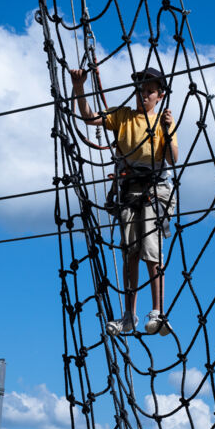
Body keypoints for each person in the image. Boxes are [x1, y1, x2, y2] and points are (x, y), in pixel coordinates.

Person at [70, 67, 178, 336]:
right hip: (130, 190)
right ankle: (129, 316)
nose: (143, 95)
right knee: (130, 252)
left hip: (156, 188)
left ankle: (158, 312)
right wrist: (79, 86)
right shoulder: (123, 116)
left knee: (152, 251)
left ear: (159, 95)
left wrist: (167, 128)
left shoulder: (163, 122)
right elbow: (88, 117)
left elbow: (172, 159)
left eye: (149, 91)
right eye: (141, 89)